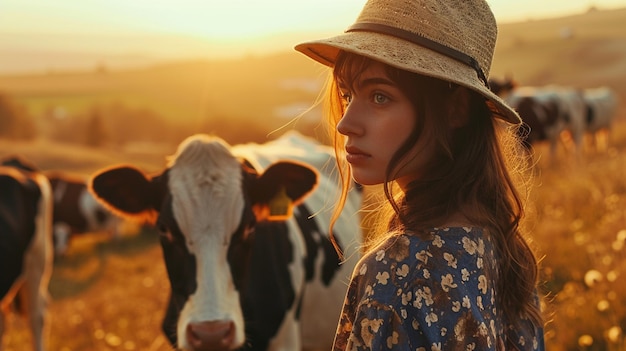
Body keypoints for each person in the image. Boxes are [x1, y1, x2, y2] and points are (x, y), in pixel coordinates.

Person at [294, 0, 546, 350]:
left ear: (455, 108)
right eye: (347, 95)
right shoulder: (505, 248)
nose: (345, 123)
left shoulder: (396, 270)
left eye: (380, 97)